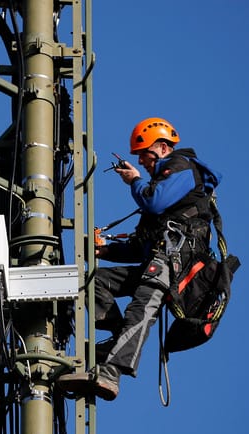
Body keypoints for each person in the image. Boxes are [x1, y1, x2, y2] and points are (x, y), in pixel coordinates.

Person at [58, 117, 221, 401]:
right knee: (91, 281)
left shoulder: (183, 167)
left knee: (141, 309)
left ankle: (111, 371)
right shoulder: (163, 184)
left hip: (171, 266)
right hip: (155, 262)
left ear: (161, 147)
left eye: (143, 154)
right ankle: (117, 340)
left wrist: (134, 181)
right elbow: (141, 246)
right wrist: (104, 252)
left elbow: (153, 200)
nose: (142, 161)